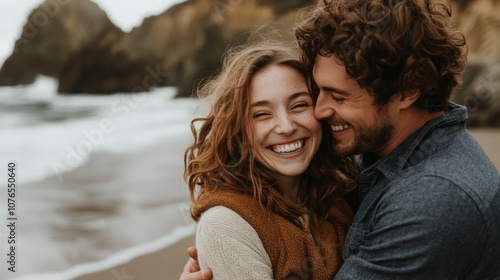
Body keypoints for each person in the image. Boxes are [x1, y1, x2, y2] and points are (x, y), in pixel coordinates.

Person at [180, 0, 500, 279]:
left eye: (337, 96)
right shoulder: (374, 162)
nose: (319, 111)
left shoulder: (432, 200)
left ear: (405, 92)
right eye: (318, 93)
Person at [183, 42, 359, 279]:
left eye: (299, 105)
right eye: (261, 114)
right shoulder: (225, 225)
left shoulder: (346, 191)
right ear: (236, 130)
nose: (286, 127)